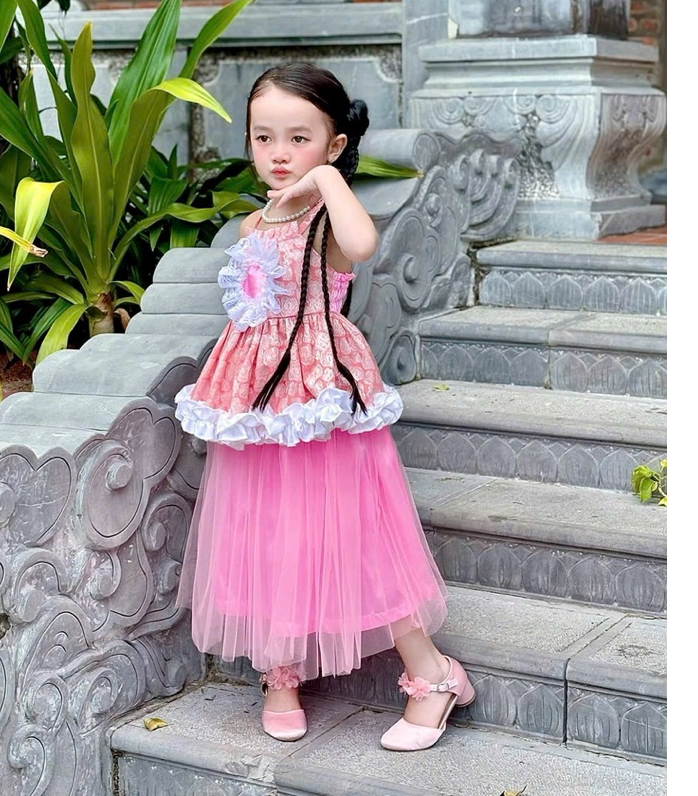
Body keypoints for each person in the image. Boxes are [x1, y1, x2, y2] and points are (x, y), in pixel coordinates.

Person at [173, 62, 474, 752]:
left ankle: (434, 675)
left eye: (299, 138)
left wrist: (330, 181)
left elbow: (364, 246)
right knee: (266, 529)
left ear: (334, 144)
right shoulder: (254, 221)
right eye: (264, 137)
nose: (279, 154)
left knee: (355, 532)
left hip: (321, 395)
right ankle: (279, 672)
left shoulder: (328, 220)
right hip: (257, 399)